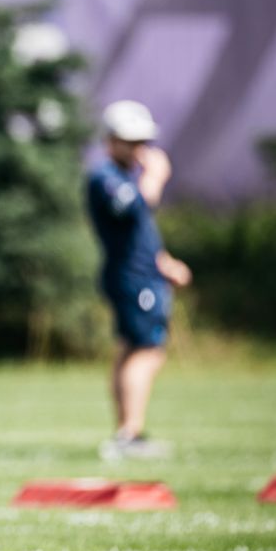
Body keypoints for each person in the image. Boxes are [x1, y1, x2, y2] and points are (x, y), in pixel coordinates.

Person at [85, 100, 193, 461]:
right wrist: (157, 177)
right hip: (131, 278)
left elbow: (137, 232)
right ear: (111, 140)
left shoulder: (125, 175)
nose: (139, 148)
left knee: (131, 349)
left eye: (142, 141)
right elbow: (131, 209)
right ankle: (129, 435)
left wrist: (163, 262)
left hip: (142, 273)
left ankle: (125, 433)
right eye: (130, 141)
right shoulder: (106, 177)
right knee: (147, 351)